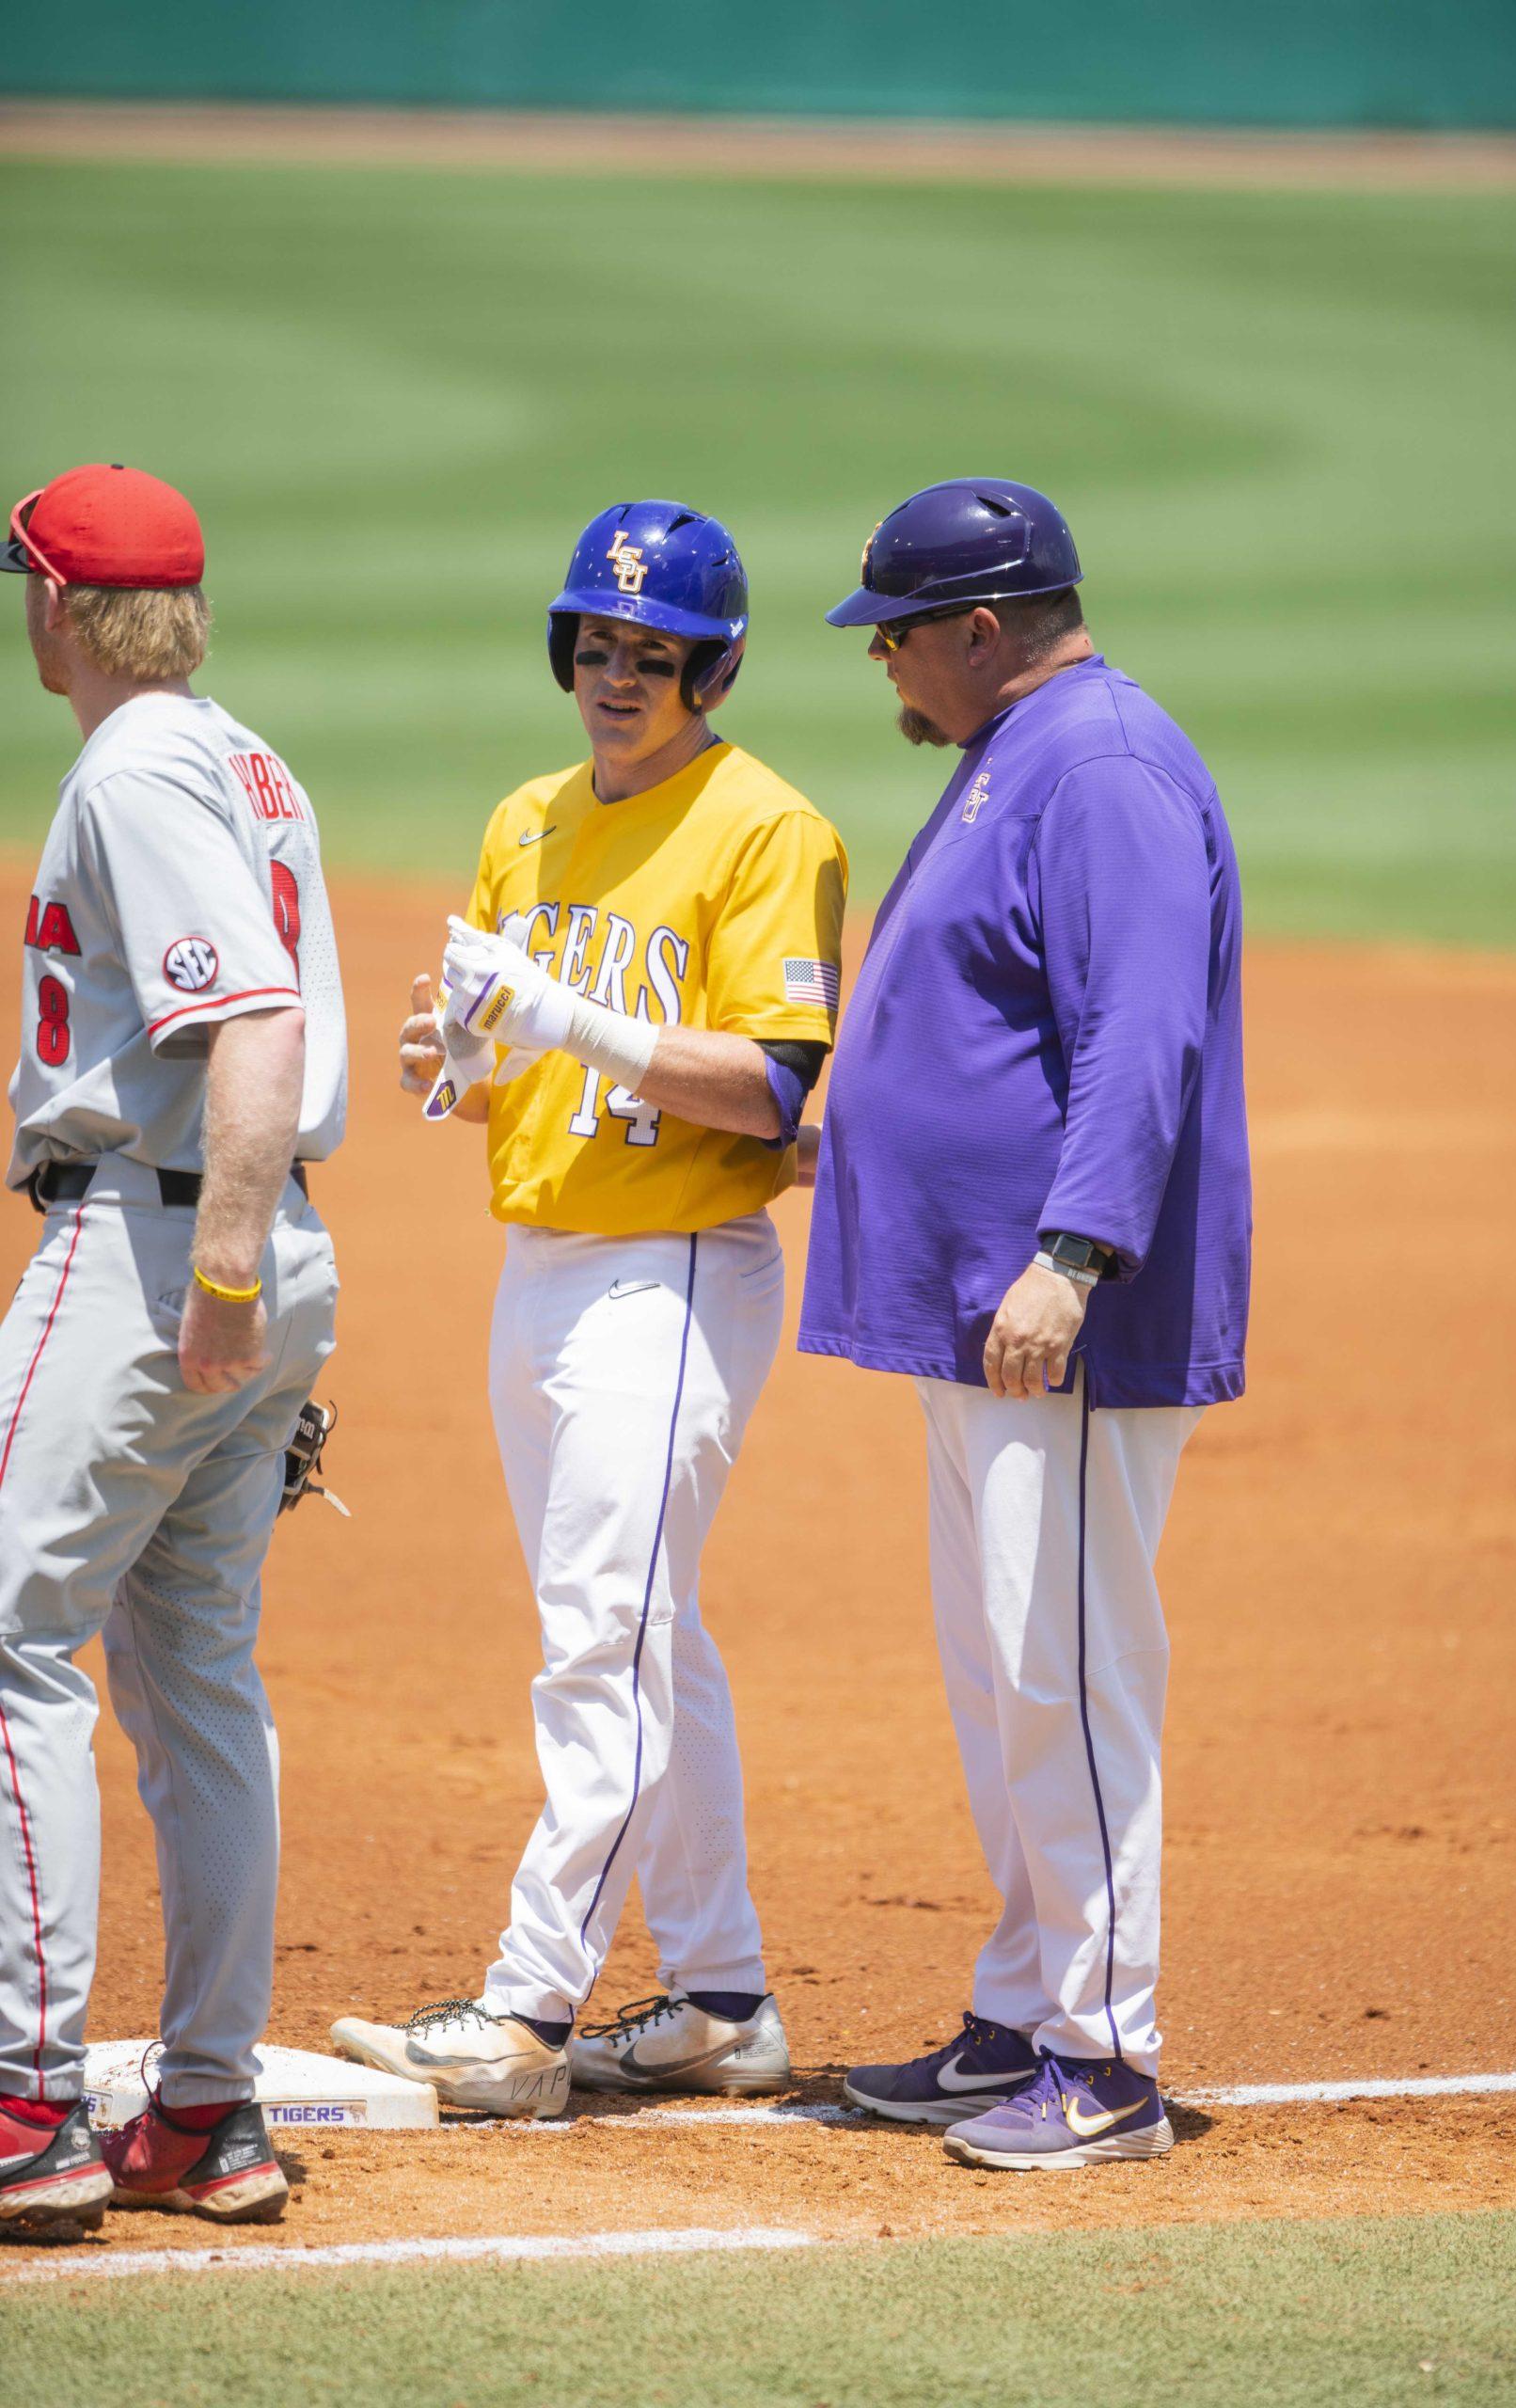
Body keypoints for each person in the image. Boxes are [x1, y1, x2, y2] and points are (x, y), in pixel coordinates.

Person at [332, 501, 846, 2115]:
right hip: (540, 1270)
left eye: (655, 654)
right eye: (598, 646)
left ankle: (528, 2010)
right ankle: (720, 1998)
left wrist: (571, 1018)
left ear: (715, 666)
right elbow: (508, 1070)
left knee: (599, 1639)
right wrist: (464, 1065)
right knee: (649, 1636)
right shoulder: (527, 819)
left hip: (679, 1273)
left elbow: (774, 1087)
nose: (619, 677)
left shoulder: (768, 831)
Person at [799, 478, 1251, 2172]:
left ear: (982, 628)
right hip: (982, 1321)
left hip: (1062, 1322)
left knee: (1067, 1675)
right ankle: (1019, 2012)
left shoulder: (1107, 763)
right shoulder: (1022, 747)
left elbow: (1141, 1032)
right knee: (1008, 1680)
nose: (886, 667)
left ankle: (1110, 2056)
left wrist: (1072, 1254)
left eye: (899, 636)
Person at [0, 464, 346, 2230]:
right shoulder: (237, 749)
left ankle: (27, 2105)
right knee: (193, 1677)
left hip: (154, 1246)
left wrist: (212, 1276)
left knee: (9, 1642)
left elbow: (254, 1020)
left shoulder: (132, 766)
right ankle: (206, 2112)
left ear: (59, 607)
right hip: (259, 1247)